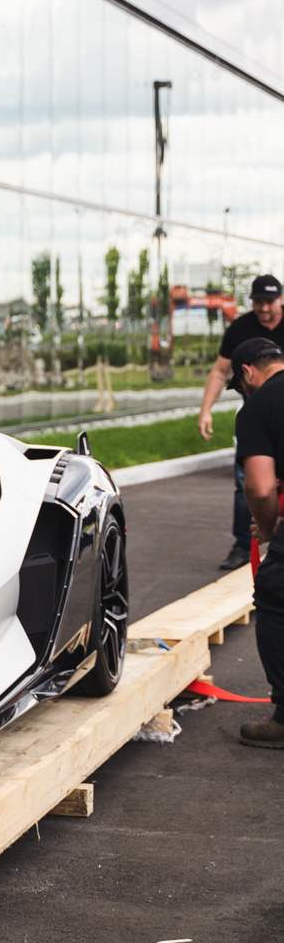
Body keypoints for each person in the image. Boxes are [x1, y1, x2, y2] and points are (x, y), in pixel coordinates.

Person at [198, 274, 284, 570]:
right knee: (246, 481)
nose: (263, 309)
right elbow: (220, 372)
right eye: (258, 302)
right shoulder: (241, 328)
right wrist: (205, 409)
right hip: (265, 418)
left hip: (269, 414)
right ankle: (241, 543)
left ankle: (269, 532)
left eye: (269, 302)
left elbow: (261, 491)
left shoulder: (253, 408)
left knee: (260, 484)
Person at [232, 338, 284, 747]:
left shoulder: (258, 406)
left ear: (247, 372)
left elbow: (261, 488)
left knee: (274, 595)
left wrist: (267, 530)